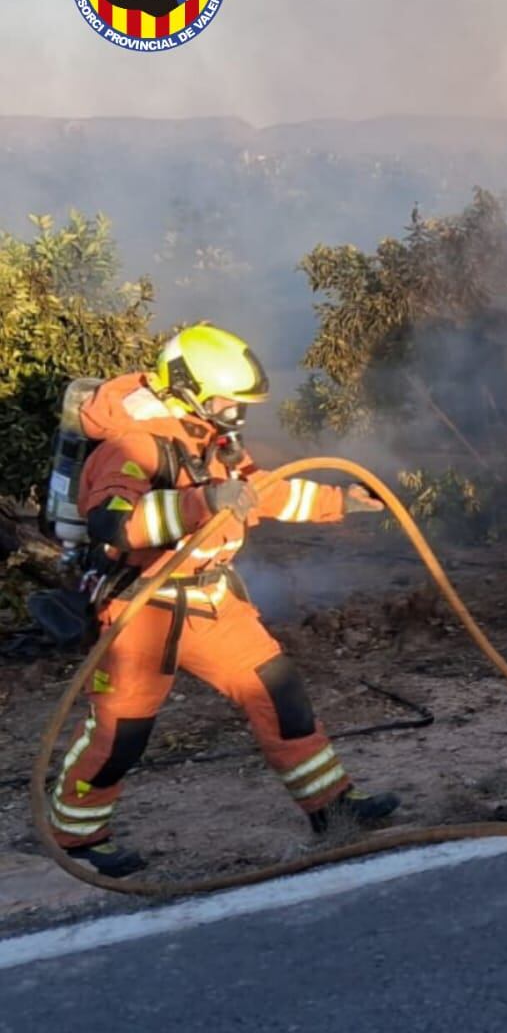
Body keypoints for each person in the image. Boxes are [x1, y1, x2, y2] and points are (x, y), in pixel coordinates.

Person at [47, 325, 399, 877]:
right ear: (187, 390)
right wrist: (204, 502)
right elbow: (115, 524)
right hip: (144, 609)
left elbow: (261, 492)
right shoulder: (131, 443)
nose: (235, 413)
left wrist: (341, 502)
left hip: (211, 603)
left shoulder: (207, 434)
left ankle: (332, 807)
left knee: (280, 696)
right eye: (226, 400)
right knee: (121, 733)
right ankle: (75, 839)